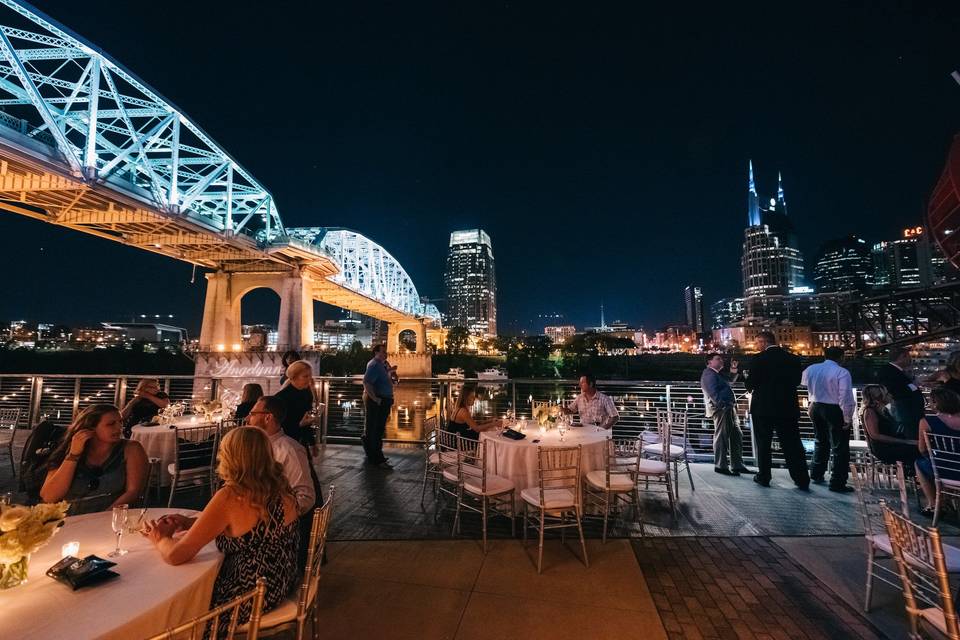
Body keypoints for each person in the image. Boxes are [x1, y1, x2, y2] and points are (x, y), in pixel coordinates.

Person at [142, 427, 300, 627]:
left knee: (170, 609)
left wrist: (160, 538)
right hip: (280, 581)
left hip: (246, 596)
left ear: (230, 457)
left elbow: (176, 556)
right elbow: (247, 527)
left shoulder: (232, 496)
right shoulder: (281, 487)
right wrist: (192, 523)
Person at [41, 404, 148, 514]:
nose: (119, 428)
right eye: (111, 424)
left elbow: (133, 492)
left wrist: (103, 516)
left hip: (110, 516)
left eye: (120, 422)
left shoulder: (131, 449)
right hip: (70, 517)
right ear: (90, 428)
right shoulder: (69, 451)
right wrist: (73, 455)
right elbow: (49, 497)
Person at [744, 331, 810, 490]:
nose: (757, 346)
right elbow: (796, 381)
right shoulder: (792, 358)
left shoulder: (758, 359)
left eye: (758, 343)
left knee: (764, 444)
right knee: (792, 443)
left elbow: (750, 385)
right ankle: (801, 478)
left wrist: (748, 377)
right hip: (787, 407)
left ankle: (764, 476)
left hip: (763, 408)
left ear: (764, 342)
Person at [245, 395, 316, 514]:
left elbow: (305, 497)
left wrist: (272, 515)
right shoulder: (254, 446)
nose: (247, 418)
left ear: (268, 417)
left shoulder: (290, 450)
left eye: (252, 414)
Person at [801, 347, 856, 492]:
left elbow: (803, 383)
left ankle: (816, 473)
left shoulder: (812, 368)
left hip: (815, 406)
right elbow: (845, 396)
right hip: (833, 409)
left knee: (820, 441)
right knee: (840, 447)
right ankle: (837, 483)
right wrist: (847, 417)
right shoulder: (842, 372)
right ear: (841, 357)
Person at [701, 354, 752, 476]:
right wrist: (723, 405)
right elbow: (712, 392)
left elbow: (729, 382)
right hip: (722, 409)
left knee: (736, 435)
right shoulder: (709, 374)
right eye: (718, 359)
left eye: (721, 359)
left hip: (729, 408)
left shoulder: (716, 374)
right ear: (709, 362)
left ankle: (737, 465)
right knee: (721, 436)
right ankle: (721, 465)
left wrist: (733, 369)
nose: (721, 361)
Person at [915, 388, 960, 516]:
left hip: (943, 470)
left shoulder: (927, 421)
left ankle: (934, 504)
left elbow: (922, 449)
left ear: (936, 403)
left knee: (919, 464)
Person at [860, 384, 918, 465]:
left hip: (891, 443)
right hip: (884, 448)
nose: (890, 395)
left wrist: (890, 403)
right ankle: (912, 472)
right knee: (915, 450)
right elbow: (875, 435)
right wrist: (905, 441)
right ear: (879, 396)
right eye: (886, 394)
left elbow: (897, 419)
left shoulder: (883, 409)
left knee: (917, 446)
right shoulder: (870, 411)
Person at [877, 347, 926, 441]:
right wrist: (914, 386)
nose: (910, 359)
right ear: (901, 357)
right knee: (910, 436)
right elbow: (898, 389)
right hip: (906, 413)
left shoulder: (893, 370)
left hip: (908, 411)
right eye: (908, 356)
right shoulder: (889, 371)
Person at [275, 360, 318, 455]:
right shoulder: (281, 397)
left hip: (301, 441)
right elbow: (278, 426)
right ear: (293, 377)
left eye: (310, 376)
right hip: (286, 444)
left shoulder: (306, 393)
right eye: (305, 376)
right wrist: (300, 424)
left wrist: (312, 443)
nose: (309, 379)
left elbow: (306, 420)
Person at [362, 344, 394, 466]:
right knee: (376, 429)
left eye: (386, 352)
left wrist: (390, 373)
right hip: (378, 401)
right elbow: (366, 382)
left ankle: (373, 455)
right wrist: (375, 399)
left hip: (383, 400)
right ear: (376, 353)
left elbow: (383, 381)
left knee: (376, 429)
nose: (386, 354)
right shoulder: (375, 365)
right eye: (383, 352)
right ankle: (376, 458)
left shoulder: (381, 365)